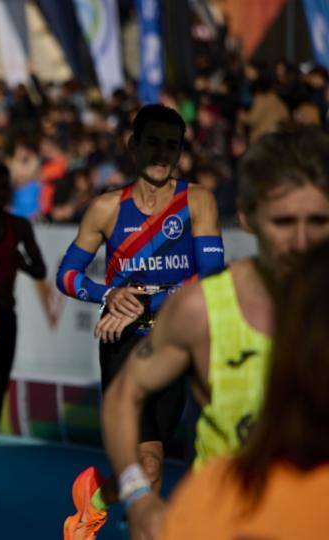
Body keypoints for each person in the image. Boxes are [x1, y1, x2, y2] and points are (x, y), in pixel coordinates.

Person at [101, 126, 329, 540]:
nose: (300, 241)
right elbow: (122, 396)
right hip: (226, 522)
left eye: (317, 221)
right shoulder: (201, 309)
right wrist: (139, 496)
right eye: (283, 222)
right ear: (247, 216)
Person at [55, 104, 224, 539]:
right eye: (153, 142)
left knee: (153, 468)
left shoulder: (198, 201)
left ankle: (95, 498)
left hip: (174, 344)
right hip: (124, 346)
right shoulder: (106, 208)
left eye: (172, 145)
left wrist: (149, 303)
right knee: (148, 469)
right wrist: (109, 294)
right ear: (134, 145)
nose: (161, 153)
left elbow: (211, 279)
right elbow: (68, 275)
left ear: (181, 151)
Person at [162, 240, 329, 539]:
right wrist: (137, 497)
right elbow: (125, 395)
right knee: (148, 464)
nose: (300, 235)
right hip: (228, 483)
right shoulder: (208, 496)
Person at [0, 163, 49, 500]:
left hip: (5, 320)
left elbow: (41, 268)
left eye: (5, 187)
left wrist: (20, 260)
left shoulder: (19, 226)